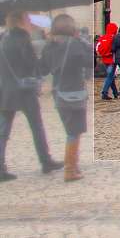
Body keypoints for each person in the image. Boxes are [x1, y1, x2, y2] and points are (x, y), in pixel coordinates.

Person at [0, 10, 63, 180]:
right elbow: (37, 67)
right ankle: (45, 161)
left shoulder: (4, 40)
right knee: (37, 127)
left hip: (6, 90)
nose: (29, 24)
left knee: (3, 130)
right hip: (25, 91)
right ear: (20, 23)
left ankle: (0, 168)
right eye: (27, 21)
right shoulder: (23, 41)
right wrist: (50, 49)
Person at [41, 14, 90, 181]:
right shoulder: (75, 44)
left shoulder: (49, 46)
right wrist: (86, 44)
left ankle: (73, 166)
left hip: (59, 92)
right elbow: (90, 62)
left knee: (71, 130)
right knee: (73, 131)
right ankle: (70, 169)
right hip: (75, 91)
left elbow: (43, 69)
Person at [97, 23, 118, 100]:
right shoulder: (114, 37)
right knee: (109, 76)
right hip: (112, 59)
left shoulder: (102, 37)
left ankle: (115, 92)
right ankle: (104, 92)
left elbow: (97, 48)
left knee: (111, 76)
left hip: (104, 59)